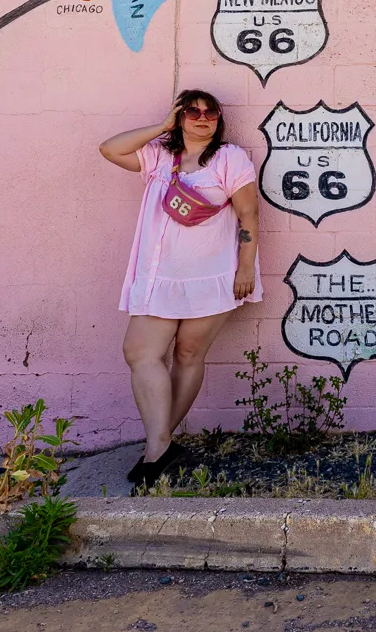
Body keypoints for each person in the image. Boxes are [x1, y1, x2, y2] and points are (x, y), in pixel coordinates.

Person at [99, 90, 261, 486]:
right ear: (179, 116)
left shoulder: (229, 158)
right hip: (159, 277)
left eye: (210, 112)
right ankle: (162, 444)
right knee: (139, 352)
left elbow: (249, 214)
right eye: (192, 111)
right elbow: (109, 148)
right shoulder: (158, 157)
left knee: (189, 353)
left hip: (213, 276)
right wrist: (162, 127)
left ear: (219, 119)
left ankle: (157, 448)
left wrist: (245, 269)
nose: (202, 118)